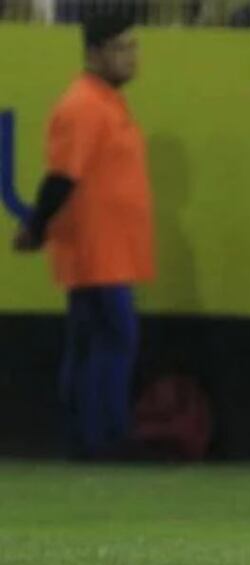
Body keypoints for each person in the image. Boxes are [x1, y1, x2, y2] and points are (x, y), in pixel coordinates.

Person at [12, 11, 154, 460]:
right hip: (98, 253)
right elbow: (61, 178)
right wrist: (36, 226)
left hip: (108, 253)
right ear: (94, 54)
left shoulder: (106, 102)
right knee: (112, 343)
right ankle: (103, 439)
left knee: (93, 344)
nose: (133, 58)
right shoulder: (85, 106)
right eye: (122, 48)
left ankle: (88, 436)